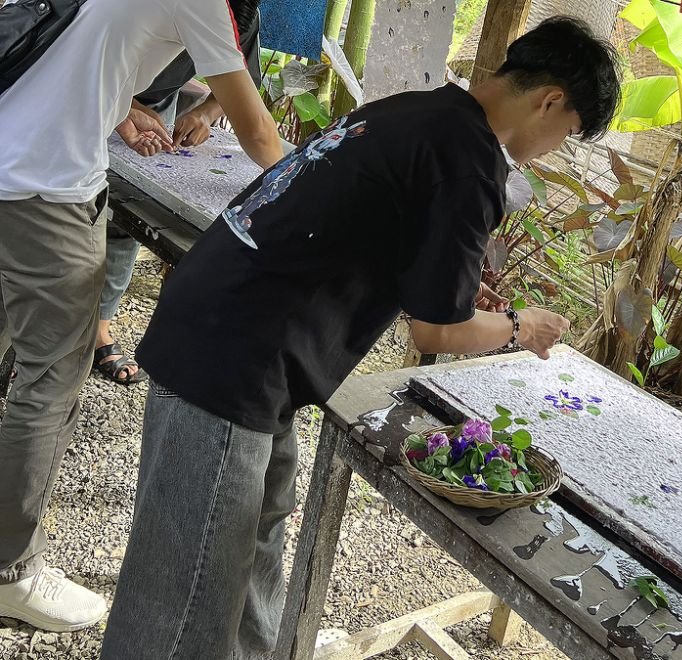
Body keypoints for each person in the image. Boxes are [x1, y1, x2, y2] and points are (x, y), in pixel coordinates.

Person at [100, 16, 621, 658]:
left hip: (233, 328)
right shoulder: (470, 161)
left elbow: (406, 262)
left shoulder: (423, 111)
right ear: (550, 101)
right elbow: (438, 328)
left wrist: (451, 289)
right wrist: (521, 327)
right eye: (567, 133)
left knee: (252, 532)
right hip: (234, 356)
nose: (553, 147)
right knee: (184, 584)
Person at [0, 0, 283, 633]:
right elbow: (259, 133)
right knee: (50, 382)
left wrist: (121, 108)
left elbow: (76, 52)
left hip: (9, 151)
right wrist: (329, 202)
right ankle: (9, 571)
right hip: (46, 186)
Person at [96, 6, 266, 385]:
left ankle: (97, 329)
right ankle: (43, 338)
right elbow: (76, 60)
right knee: (71, 213)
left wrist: (204, 114)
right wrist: (123, 106)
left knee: (129, 218)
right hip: (93, 90)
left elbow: (243, 84)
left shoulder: (241, 13)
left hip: (154, 106)